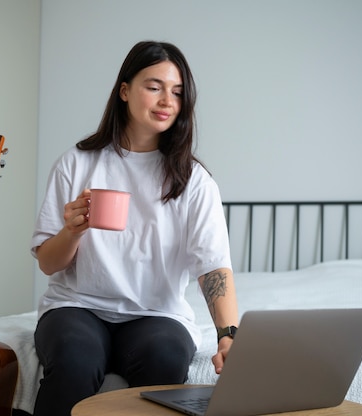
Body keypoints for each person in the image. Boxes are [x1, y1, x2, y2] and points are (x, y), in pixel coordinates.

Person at [30, 40, 239, 416]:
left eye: (177, 92)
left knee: (166, 357)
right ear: (124, 91)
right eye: (154, 86)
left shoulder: (194, 180)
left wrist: (229, 335)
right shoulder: (76, 163)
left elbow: (212, 267)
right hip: (78, 307)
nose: (167, 101)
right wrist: (73, 231)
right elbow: (48, 263)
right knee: (75, 360)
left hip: (156, 313)